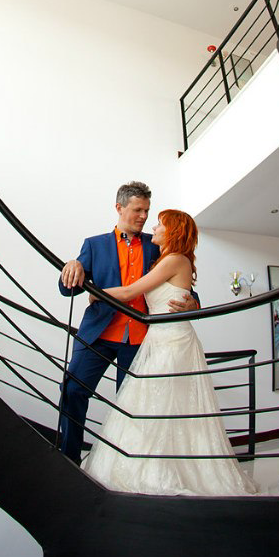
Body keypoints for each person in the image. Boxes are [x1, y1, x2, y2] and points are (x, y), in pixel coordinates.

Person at [80, 209, 257, 495]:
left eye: (159, 224)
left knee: (161, 405)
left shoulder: (175, 259)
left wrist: (94, 293)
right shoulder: (165, 258)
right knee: (155, 404)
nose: (153, 227)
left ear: (172, 231)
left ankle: (162, 470)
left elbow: (129, 292)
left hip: (173, 342)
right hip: (159, 339)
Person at [57, 181, 199, 465]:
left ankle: (125, 466)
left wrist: (193, 303)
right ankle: (69, 459)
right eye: (138, 210)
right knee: (72, 390)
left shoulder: (156, 244)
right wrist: (72, 265)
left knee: (131, 406)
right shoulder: (94, 245)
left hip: (140, 340)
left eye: (147, 210)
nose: (144, 217)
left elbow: (182, 285)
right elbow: (67, 289)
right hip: (98, 335)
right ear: (119, 208)